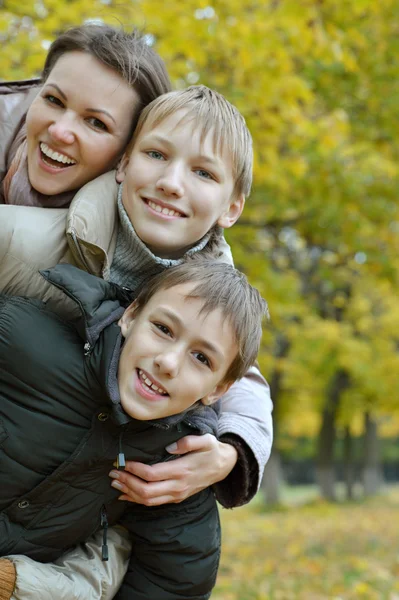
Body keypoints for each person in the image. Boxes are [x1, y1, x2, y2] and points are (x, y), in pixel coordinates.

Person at [0, 26, 273, 599]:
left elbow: (239, 378)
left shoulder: (209, 296)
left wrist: (231, 452)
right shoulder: (33, 234)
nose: (172, 183)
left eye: (202, 172)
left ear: (233, 206)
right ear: (123, 163)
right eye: (156, 155)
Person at [0, 260, 268, 600]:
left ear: (217, 390)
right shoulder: (19, 339)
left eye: (201, 358)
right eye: (163, 329)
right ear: (130, 316)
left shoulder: (177, 471)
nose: (168, 363)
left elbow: (173, 583)